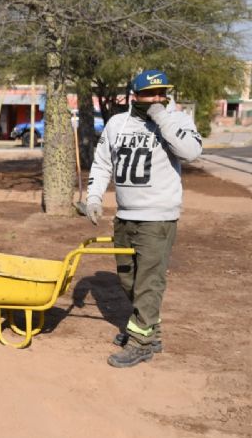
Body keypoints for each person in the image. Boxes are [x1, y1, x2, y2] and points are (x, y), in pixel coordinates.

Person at [86, 69, 202, 367]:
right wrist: (94, 197)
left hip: (158, 218)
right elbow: (102, 164)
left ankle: (141, 342)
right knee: (128, 279)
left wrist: (161, 117)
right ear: (133, 96)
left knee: (149, 281)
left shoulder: (177, 120)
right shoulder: (116, 123)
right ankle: (152, 330)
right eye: (150, 94)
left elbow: (190, 152)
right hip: (125, 216)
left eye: (162, 93)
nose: (157, 98)